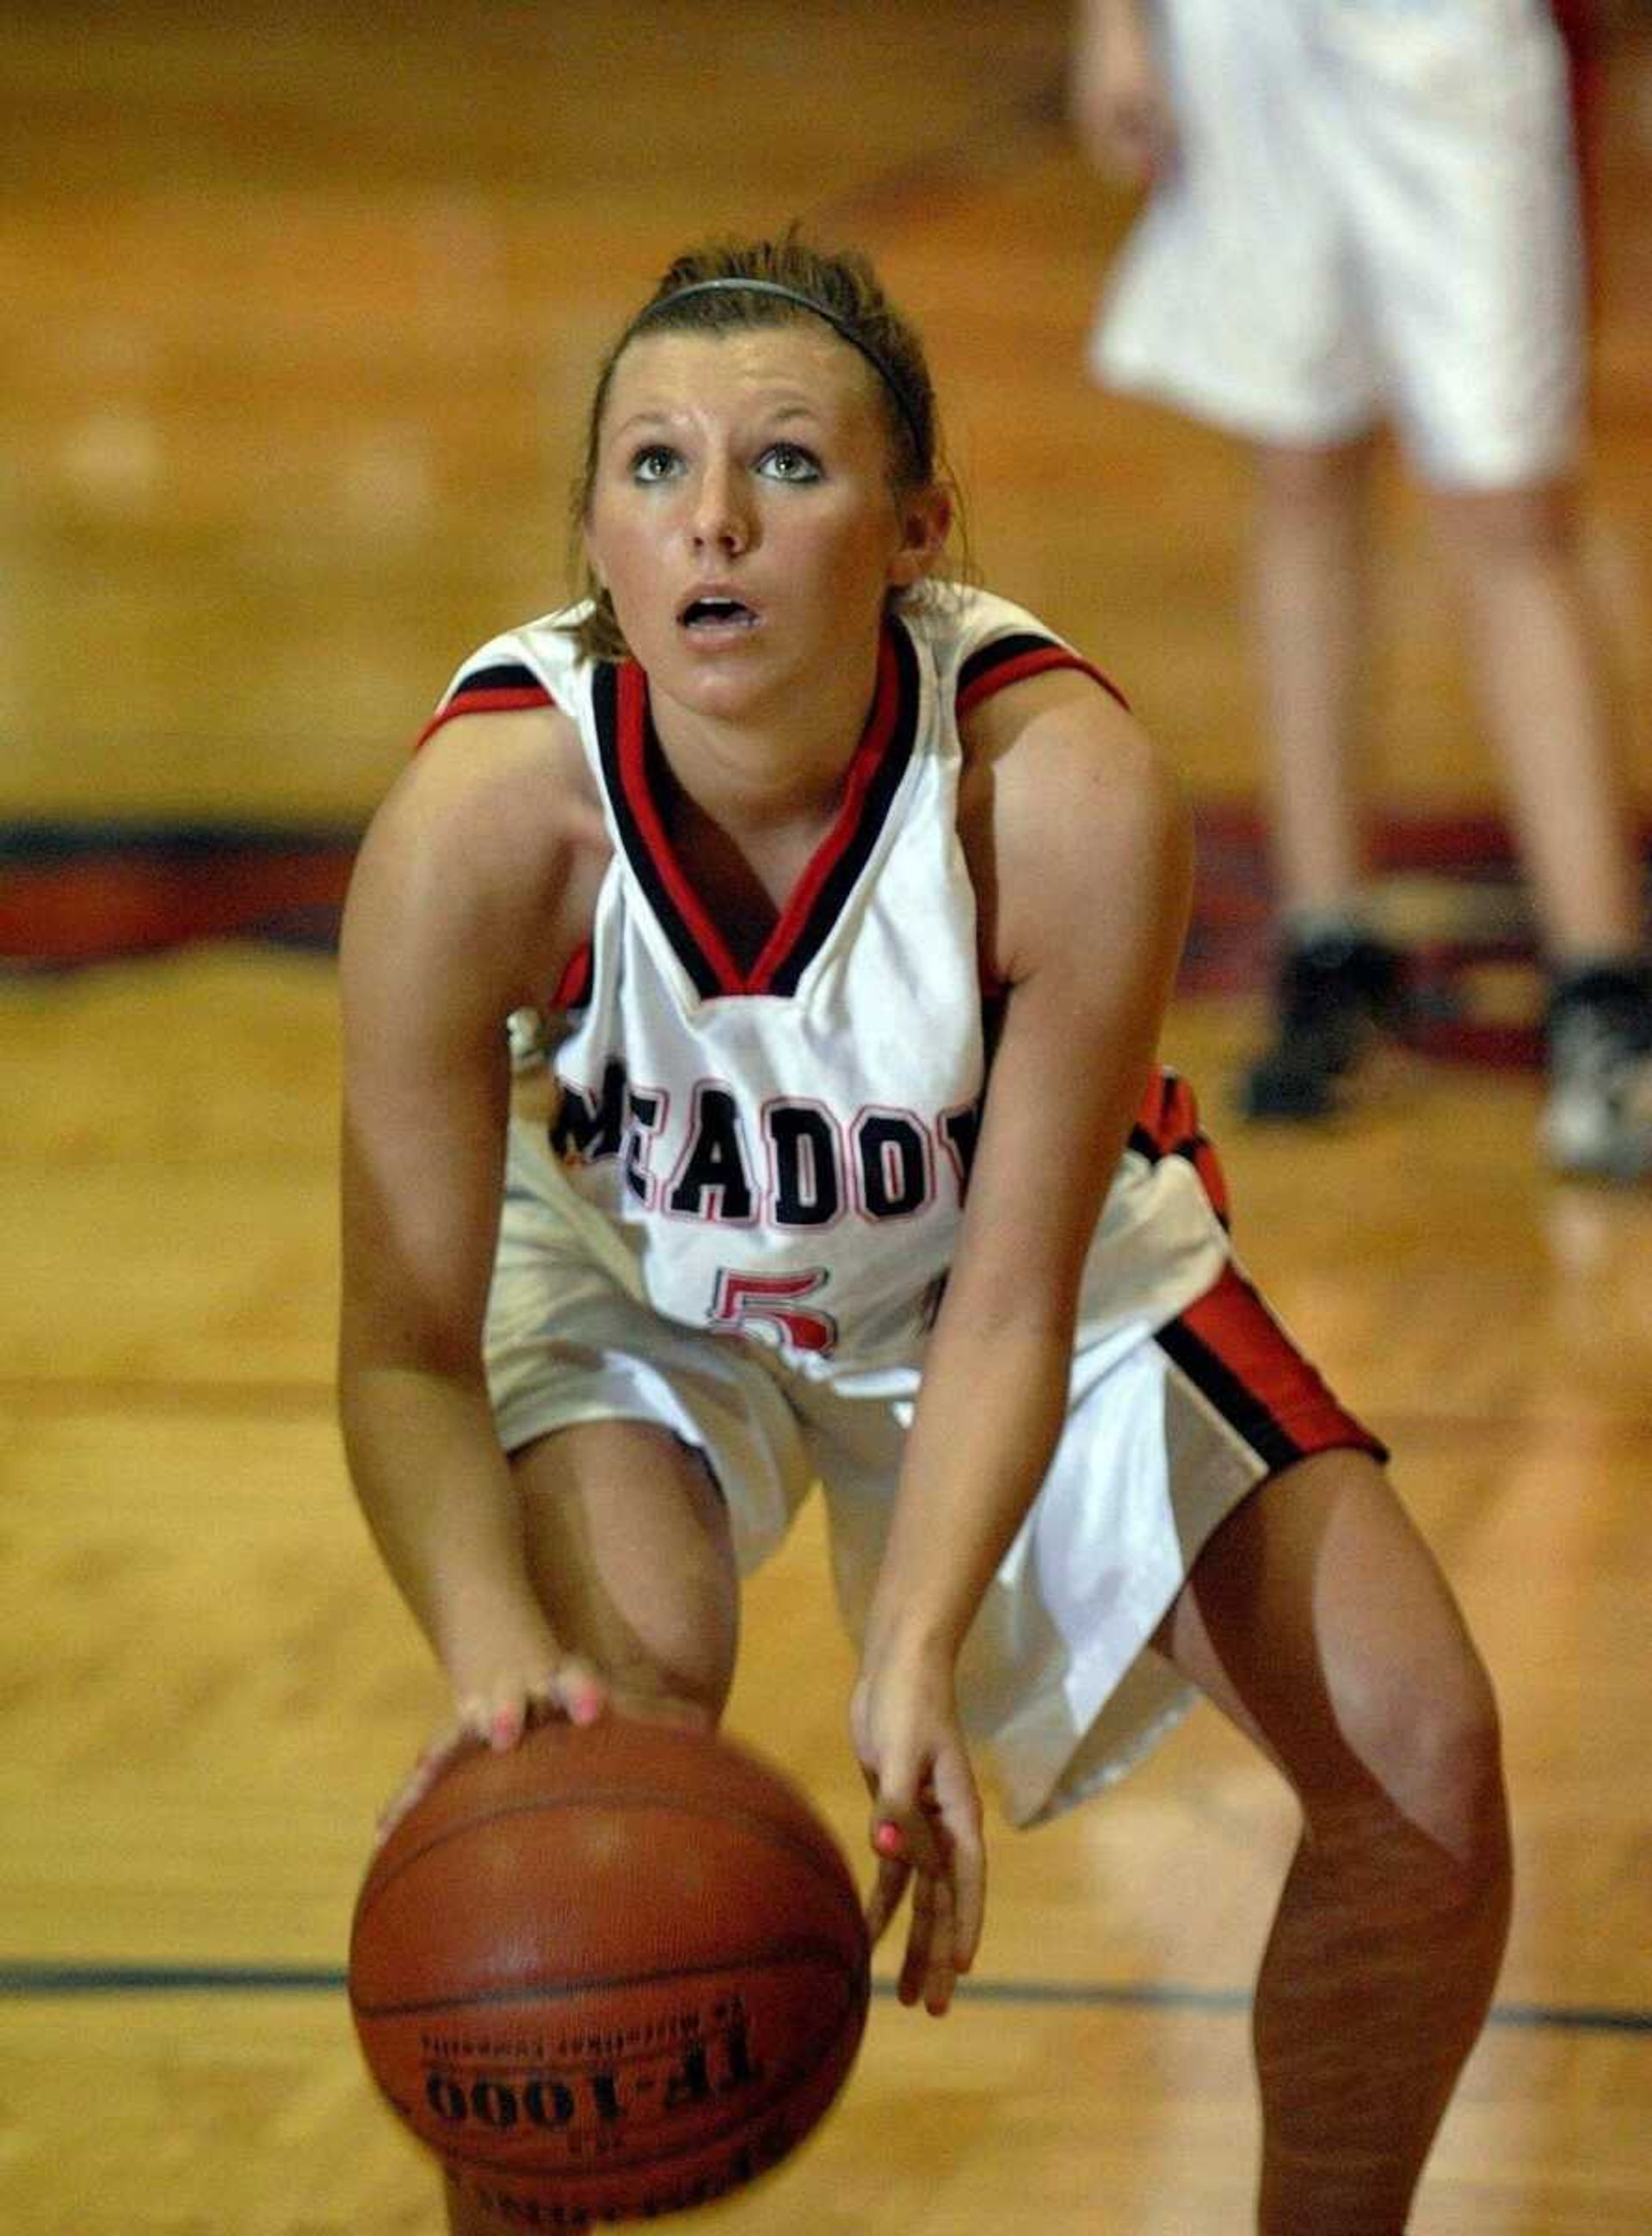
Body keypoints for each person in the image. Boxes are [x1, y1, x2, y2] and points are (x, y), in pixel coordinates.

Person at [337, 230, 1512, 2233]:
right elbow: (404, 1352)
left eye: (787, 464)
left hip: (995, 1283)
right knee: (563, 1826)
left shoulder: (1058, 796)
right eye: (652, 466)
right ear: (598, 543)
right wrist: (494, 1663)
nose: (712, 513)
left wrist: (915, 1659)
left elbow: (1013, 1306)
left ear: (916, 530)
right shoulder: (483, 823)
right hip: (640, 1292)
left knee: (1424, 1762)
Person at [1071, 0, 1652, 1177]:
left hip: (1447, 34)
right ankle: (1331, 946)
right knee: (1299, 464)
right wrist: (1116, 21)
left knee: (1509, 500)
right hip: (1242, 34)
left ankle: (1605, 984)